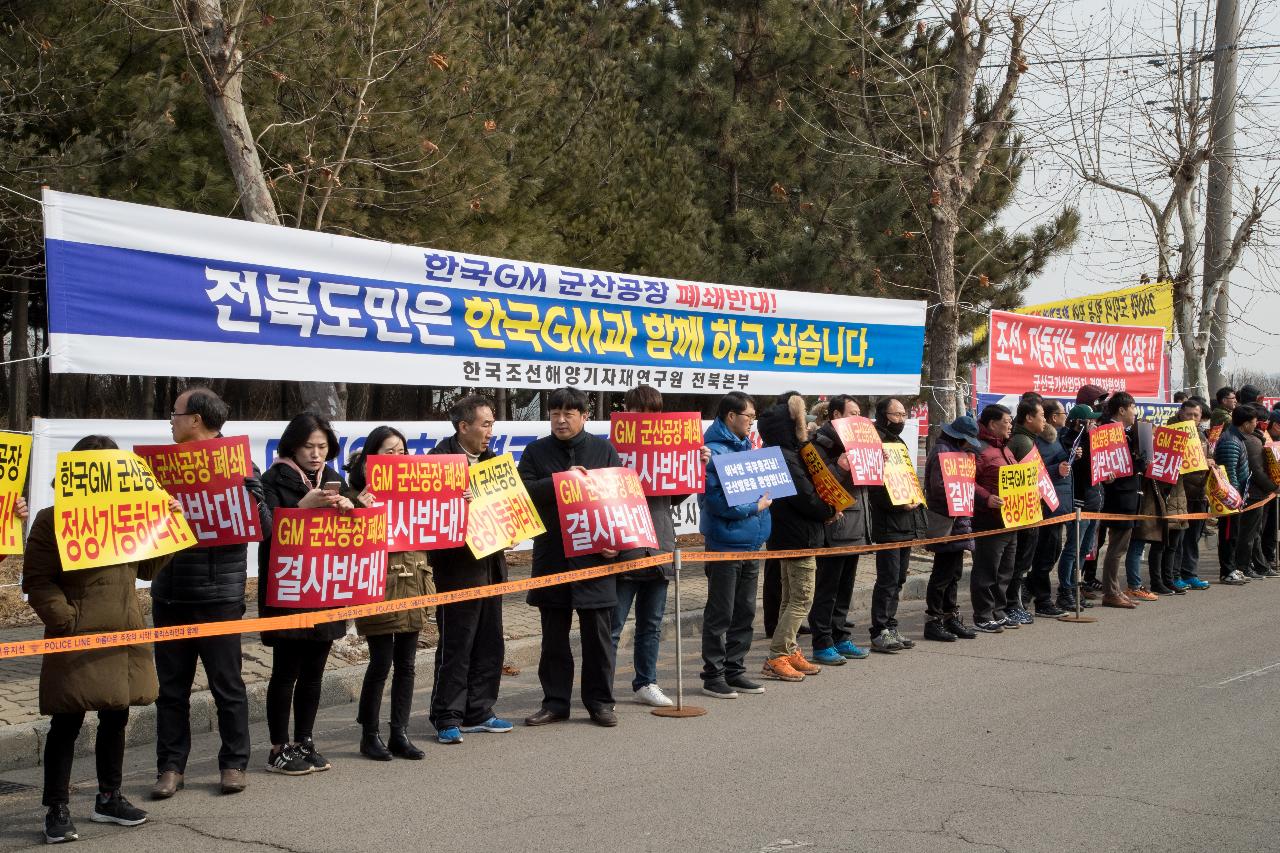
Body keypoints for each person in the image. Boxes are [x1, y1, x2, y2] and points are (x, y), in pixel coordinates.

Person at [24, 436, 178, 843]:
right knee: (66, 720)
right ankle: (56, 807)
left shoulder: (128, 517)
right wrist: (66, 621)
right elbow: (37, 582)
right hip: (73, 637)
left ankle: (109, 797)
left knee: (117, 714)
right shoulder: (51, 519)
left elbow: (146, 569)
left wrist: (168, 524)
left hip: (123, 633)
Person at [151, 387, 269, 799]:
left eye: (175, 413)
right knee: (170, 690)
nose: (171, 419)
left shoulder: (239, 465)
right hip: (168, 594)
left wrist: (254, 500)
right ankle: (170, 767)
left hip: (218, 595)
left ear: (196, 419)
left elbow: (266, 529)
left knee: (228, 684)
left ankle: (234, 763)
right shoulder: (159, 469)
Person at [518, 387, 623, 727]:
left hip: (595, 559)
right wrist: (561, 481)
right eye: (554, 414)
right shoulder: (536, 452)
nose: (560, 420)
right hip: (553, 557)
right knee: (553, 640)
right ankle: (555, 702)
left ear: (584, 416)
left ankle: (600, 703)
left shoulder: (602, 450)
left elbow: (620, 502)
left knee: (598, 639)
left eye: (568, 414)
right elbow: (523, 492)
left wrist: (617, 544)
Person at [258, 412, 353, 775]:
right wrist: (302, 508)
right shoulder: (273, 479)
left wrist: (350, 509)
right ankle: (278, 747)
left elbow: (354, 530)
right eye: (308, 446)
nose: (316, 454)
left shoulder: (332, 479)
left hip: (325, 586)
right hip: (289, 587)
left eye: (322, 447)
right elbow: (266, 529)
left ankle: (305, 740)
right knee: (286, 670)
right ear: (292, 446)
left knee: (315, 670)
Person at [428, 395, 514, 741]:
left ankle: (480, 709)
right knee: (457, 644)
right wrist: (454, 501)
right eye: (485, 424)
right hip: (457, 569)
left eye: (492, 424)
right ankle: (446, 715)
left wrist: (510, 528)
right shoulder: (437, 463)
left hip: (492, 565)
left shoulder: (493, 462)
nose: (490, 431)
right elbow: (428, 517)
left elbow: (506, 510)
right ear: (464, 427)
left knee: (490, 642)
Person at [610, 385, 700, 708]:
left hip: (660, 545)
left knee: (652, 623)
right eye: (639, 411)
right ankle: (602, 687)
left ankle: (646, 682)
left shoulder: (667, 447)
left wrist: (694, 465)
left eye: (652, 412)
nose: (646, 418)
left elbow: (673, 495)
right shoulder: (613, 448)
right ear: (627, 412)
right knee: (614, 625)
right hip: (626, 545)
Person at [346, 425, 431, 759]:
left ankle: (400, 732)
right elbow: (345, 541)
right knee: (380, 662)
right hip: (378, 584)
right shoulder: (354, 496)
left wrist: (459, 500)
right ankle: (370, 734)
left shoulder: (417, 490)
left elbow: (439, 520)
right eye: (388, 453)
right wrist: (360, 508)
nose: (396, 459)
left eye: (401, 452)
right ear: (370, 458)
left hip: (414, 579)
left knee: (407, 663)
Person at [699, 391, 772, 699]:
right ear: (731, 416)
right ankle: (713, 674)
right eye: (748, 417)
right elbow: (714, 501)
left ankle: (735, 669)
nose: (752, 423)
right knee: (721, 612)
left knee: (744, 611)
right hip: (726, 544)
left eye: (754, 418)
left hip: (753, 543)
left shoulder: (750, 448)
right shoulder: (711, 452)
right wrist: (753, 508)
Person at [758, 393, 835, 681]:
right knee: (801, 597)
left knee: (790, 596)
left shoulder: (776, 453)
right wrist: (828, 509)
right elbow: (806, 497)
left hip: (787, 535)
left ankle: (789, 649)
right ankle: (777, 655)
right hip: (799, 535)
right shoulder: (787, 458)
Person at [809, 395, 873, 661]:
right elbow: (817, 487)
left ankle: (840, 635)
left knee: (845, 587)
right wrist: (839, 466)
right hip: (835, 527)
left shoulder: (860, 444)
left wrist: (879, 463)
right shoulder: (820, 446)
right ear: (836, 416)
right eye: (852, 413)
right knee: (828, 588)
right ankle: (822, 642)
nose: (858, 419)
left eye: (860, 414)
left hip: (857, 526)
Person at [867, 398, 927, 652]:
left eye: (904, 414)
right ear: (883, 415)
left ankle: (891, 626)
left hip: (906, 520)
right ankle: (880, 629)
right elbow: (875, 486)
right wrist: (897, 504)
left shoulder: (898, 441)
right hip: (888, 521)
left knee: (899, 577)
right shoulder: (875, 442)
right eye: (897, 415)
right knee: (888, 578)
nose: (902, 419)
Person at [921, 415, 982, 641]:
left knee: (954, 573)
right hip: (947, 521)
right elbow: (938, 489)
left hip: (960, 520)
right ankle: (934, 620)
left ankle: (950, 616)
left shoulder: (959, 454)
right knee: (943, 573)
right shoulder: (941, 453)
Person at [970, 404, 1018, 632]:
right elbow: (968, 481)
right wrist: (986, 498)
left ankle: (999, 611)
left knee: (1005, 569)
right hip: (989, 518)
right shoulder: (979, 450)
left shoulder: (1005, 450)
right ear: (992, 424)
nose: (1010, 425)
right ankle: (983, 614)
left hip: (1011, 519)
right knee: (987, 569)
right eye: (1007, 421)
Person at [1098, 393, 1148, 608]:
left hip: (1129, 496)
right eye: (1133, 408)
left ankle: (1115, 589)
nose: (1135, 413)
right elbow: (1117, 469)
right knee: (1116, 548)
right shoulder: (1109, 432)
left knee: (1120, 547)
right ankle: (1110, 592)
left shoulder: (1124, 433)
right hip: (1119, 497)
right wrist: (1139, 463)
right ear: (1122, 410)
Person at [1026, 399, 1072, 617]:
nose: (1043, 420)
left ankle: (1029, 589)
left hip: (1059, 503)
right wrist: (1056, 469)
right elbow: (1035, 471)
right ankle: (1042, 600)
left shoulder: (1056, 437)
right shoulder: (1031, 441)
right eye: (1041, 415)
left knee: (1052, 553)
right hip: (1045, 506)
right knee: (1043, 556)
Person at [1004, 399, 1047, 624]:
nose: (1045, 420)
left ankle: (1014, 603)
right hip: (1023, 514)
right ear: (1028, 417)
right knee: (1018, 563)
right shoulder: (1021, 442)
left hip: (1029, 512)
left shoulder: (1027, 440)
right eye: (1041, 415)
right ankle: (1012, 605)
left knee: (1021, 562)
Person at [1057, 403, 1102, 610]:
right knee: (1073, 548)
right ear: (1078, 422)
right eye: (1090, 420)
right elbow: (1071, 469)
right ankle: (1065, 590)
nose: (1094, 423)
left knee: (1085, 549)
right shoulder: (1068, 440)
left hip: (1094, 500)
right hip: (1079, 502)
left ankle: (1077, 586)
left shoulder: (1094, 441)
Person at [1144, 411, 1192, 596]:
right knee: (1160, 545)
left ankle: (1170, 579)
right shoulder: (1159, 451)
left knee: (1174, 545)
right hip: (1165, 503)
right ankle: (1158, 582)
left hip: (1180, 501)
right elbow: (1160, 481)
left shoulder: (1187, 447)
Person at [1215, 404, 1260, 586]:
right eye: (1254, 422)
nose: (1256, 425)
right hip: (1231, 498)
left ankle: (1232, 568)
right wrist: (1235, 498)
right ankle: (1227, 571)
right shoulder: (1231, 440)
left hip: (1237, 496)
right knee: (1228, 535)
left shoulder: (1237, 437)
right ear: (1246, 423)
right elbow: (1229, 473)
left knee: (1233, 534)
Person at [1176, 400, 1213, 591]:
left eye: (1195, 415)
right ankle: (1176, 575)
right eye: (1188, 414)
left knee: (1193, 537)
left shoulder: (1201, 434)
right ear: (1181, 413)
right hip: (1181, 494)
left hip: (1200, 493)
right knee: (1179, 538)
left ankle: (1189, 573)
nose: (1192, 418)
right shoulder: (1173, 431)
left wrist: (1210, 462)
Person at [1245, 404, 1280, 578]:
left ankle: (1260, 563)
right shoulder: (1254, 441)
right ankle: (1255, 565)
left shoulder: (1259, 438)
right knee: (1254, 532)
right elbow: (1257, 470)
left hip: (1264, 491)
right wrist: (1273, 487)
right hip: (1255, 492)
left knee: (1261, 530)